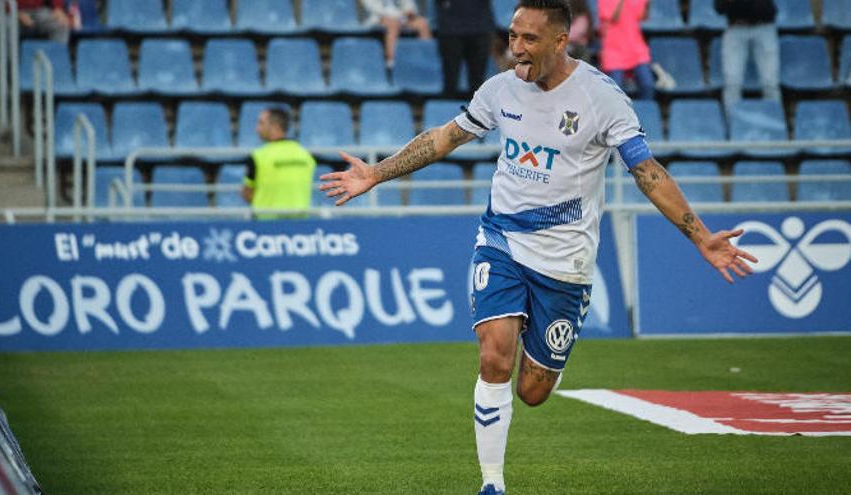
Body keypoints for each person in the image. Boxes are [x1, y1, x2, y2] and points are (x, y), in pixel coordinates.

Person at [320, 1, 757, 494]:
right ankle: (492, 484)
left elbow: (646, 172)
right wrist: (376, 173)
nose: (517, 49)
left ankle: (546, 352)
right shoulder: (501, 88)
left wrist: (701, 237)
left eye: (529, 39)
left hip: (565, 261)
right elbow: (445, 138)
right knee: (494, 358)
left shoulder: (601, 98)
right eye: (512, 36)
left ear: (559, 41)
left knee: (532, 391)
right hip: (502, 239)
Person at [242, 108, 316, 220]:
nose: (257, 128)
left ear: (275, 126)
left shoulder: (257, 156)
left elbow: (247, 193)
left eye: (261, 123)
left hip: (266, 227)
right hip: (300, 226)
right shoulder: (306, 155)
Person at [715, 0, 780, 110]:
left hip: (764, 26)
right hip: (736, 28)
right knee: (732, 83)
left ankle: (774, 121)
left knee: (770, 83)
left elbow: (771, 9)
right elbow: (719, 8)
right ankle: (732, 122)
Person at [435, 0, 496, 98]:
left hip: (480, 27)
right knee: (450, 83)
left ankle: (476, 112)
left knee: (477, 85)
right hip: (450, 28)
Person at [598, 0, 654, 99]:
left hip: (636, 49)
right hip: (614, 50)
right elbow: (614, 17)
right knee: (615, 90)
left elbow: (643, 16)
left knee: (648, 85)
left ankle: (643, 113)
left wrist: (647, 4)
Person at [360, 0, 432, 70]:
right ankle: (391, 63)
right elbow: (372, 8)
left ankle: (427, 57)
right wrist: (395, 16)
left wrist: (408, 12)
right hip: (378, 19)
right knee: (393, 25)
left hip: (401, 18)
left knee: (422, 23)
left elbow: (409, 5)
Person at [0, 0, 71, 43]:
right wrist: (15, 12)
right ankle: (12, 72)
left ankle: (55, 70)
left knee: (60, 24)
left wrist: (57, 7)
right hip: (2, 11)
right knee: (9, 25)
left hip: (35, 11)